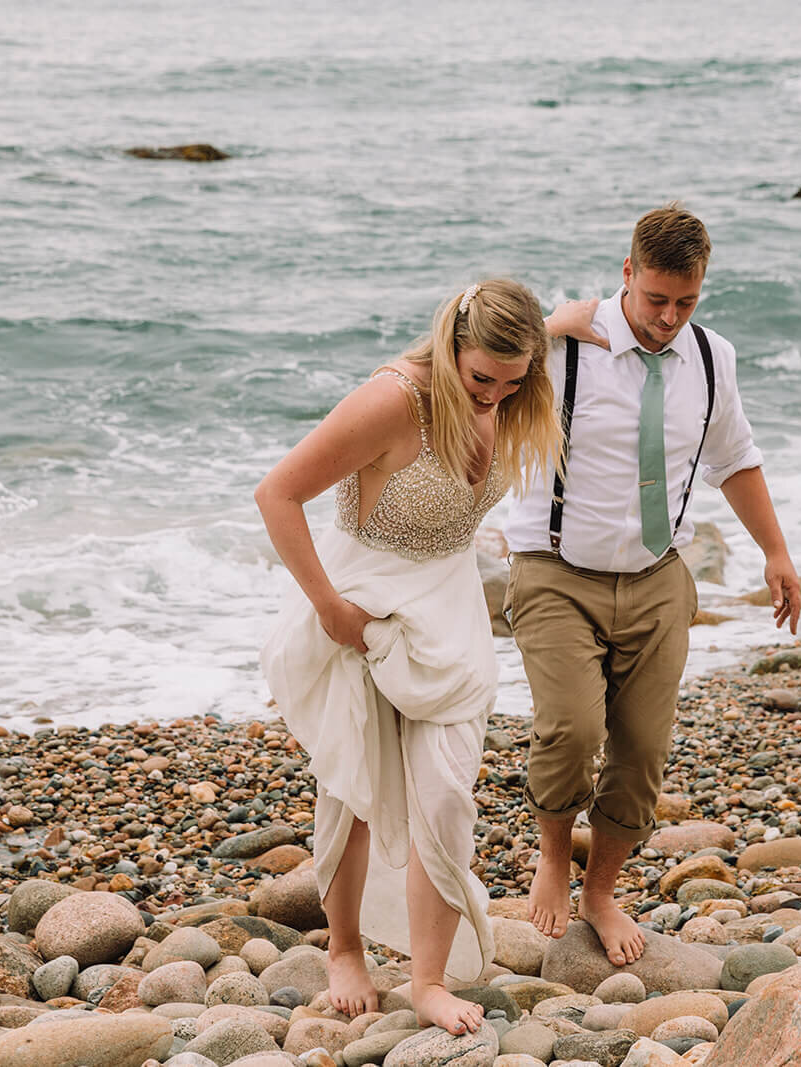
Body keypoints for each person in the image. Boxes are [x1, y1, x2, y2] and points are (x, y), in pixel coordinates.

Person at [256, 279, 561, 1034]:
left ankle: (427, 979)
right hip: (362, 600)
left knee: (448, 791)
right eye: (481, 377)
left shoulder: (516, 386)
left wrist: (581, 321)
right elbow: (276, 493)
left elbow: (557, 329)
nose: (494, 395)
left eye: (513, 381)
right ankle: (346, 950)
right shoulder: (394, 400)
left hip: (447, 610)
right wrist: (329, 608)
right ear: (452, 345)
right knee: (354, 790)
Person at [504, 203, 801, 967]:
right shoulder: (566, 342)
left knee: (641, 754)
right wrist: (543, 327)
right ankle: (550, 854)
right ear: (627, 274)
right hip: (555, 570)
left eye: (687, 301)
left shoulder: (712, 356)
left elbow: (735, 457)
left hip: (657, 577)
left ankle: (600, 890)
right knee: (571, 729)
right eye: (656, 299)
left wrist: (776, 552)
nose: (669, 317)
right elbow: (463, 369)